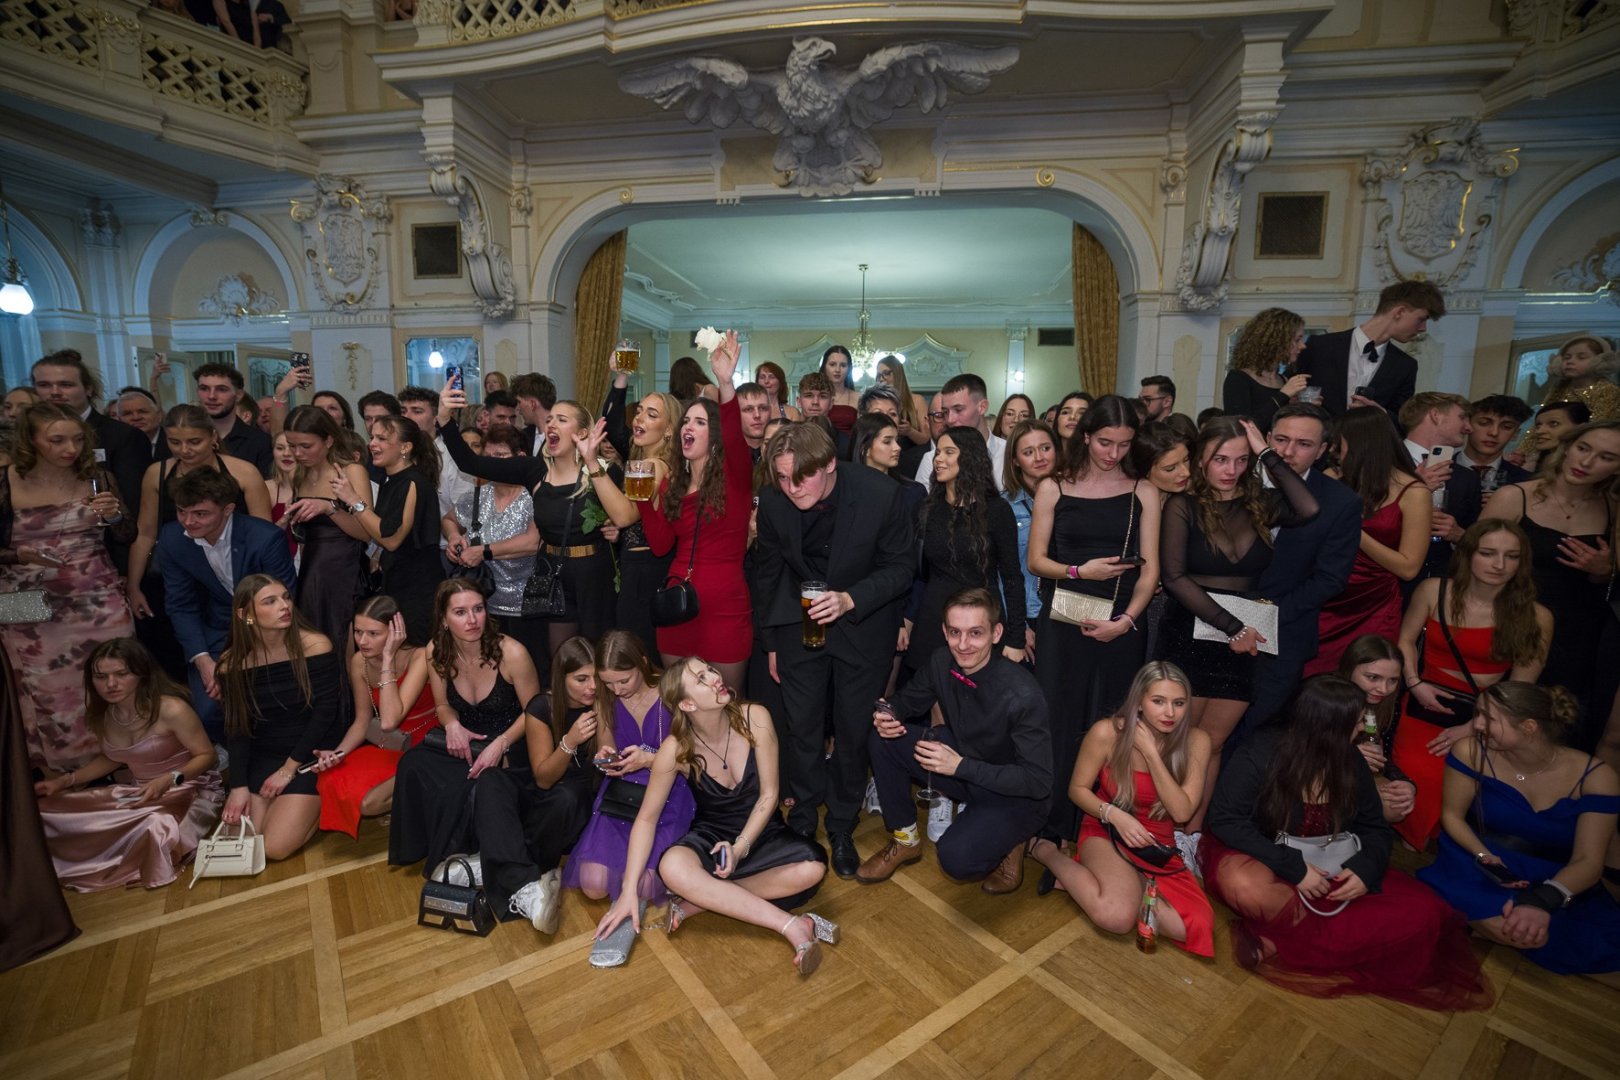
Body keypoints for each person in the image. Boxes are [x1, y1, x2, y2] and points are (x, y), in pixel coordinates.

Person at [1201, 675, 1490, 1009]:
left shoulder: (1350, 760)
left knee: (1425, 912)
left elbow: (1375, 828)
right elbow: (1225, 820)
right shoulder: (1261, 752)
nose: (1363, 728)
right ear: (1328, 725)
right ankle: (1319, 940)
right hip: (1267, 856)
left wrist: (1365, 870)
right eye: (1357, 721)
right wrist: (1295, 869)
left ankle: (1282, 939)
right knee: (1242, 884)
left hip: (1331, 869)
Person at [596, 656, 834, 976]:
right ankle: (792, 926)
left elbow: (769, 796)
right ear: (688, 705)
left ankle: (699, 900)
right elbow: (646, 819)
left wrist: (739, 848)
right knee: (672, 867)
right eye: (701, 679)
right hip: (711, 835)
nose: (714, 677)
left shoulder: (755, 717)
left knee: (813, 868)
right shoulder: (675, 749)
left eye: (708, 670)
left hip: (761, 830)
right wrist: (628, 890)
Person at [753, 422, 915, 876]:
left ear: (828, 465)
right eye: (782, 478)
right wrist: (771, 642)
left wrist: (850, 599)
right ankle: (803, 820)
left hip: (863, 626)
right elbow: (767, 572)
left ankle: (842, 824)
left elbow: (902, 568)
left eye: (800, 478)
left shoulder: (881, 494)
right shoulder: (773, 499)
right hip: (797, 625)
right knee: (802, 728)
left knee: (852, 731)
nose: (790, 488)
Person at [1156, 416, 1317, 848]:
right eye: (1220, 459)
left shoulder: (1261, 502)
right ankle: (1160, 831)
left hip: (1243, 640)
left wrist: (1267, 452)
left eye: (1241, 460)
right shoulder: (1182, 505)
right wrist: (1233, 627)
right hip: (1192, 630)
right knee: (1175, 740)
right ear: (1201, 460)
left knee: (1213, 744)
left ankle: (1190, 836)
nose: (1231, 470)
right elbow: (1174, 578)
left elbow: (1308, 508)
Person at [1418, 681, 1620, 984]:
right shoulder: (1470, 751)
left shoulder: (1597, 777)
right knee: (1508, 927)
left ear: (1528, 727)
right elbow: (1452, 817)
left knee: (1581, 941)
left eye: (1488, 718)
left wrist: (1543, 900)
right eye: (1477, 714)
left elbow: (1589, 861)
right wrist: (1485, 857)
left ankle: (1479, 921)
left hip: (1550, 873)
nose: (1477, 724)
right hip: (1476, 859)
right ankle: (1481, 919)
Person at [1028, 396, 1161, 843]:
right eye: (1105, 442)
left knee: (1112, 724)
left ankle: (1098, 828)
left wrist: (1126, 621)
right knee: (1059, 721)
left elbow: (1151, 571)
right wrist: (1079, 571)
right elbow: (1036, 561)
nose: (1113, 453)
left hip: (1121, 626)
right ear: (1086, 436)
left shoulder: (1143, 490)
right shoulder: (1054, 487)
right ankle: (1050, 829)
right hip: (1063, 621)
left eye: (1124, 445)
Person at [857, 588, 1052, 892]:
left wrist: (960, 766)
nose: (963, 644)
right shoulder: (941, 660)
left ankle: (1012, 841)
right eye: (955, 632)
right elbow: (909, 699)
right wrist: (890, 712)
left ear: (996, 633)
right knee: (884, 739)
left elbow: (1038, 782)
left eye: (975, 633)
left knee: (955, 859)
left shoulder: (1023, 694)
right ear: (944, 631)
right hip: (964, 766)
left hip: (1014, 795)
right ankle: (906, 840)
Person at [1028, 661, 1213, 954]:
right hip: (1108, 827)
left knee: (1193, 926)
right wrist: (1115, 816)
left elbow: (1181, 813)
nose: (1170, 713)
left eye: (1179, 703)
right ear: (1138, 702)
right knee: (1116, 917)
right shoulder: (1107, 732)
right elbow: (1077, 790)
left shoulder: (1196, 740)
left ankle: (1115, 883)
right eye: (1158, 701)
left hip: (1156, 843)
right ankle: (1046, 851)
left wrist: (1151, 754)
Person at [1394, 520, 1553, 848]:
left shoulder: (1537, 617)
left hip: (1490, 715)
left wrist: (1473, 727)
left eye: (1511, 556)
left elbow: (1519, 690)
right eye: (1488, 553)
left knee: (1458, 777)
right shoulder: (1433, 590)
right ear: (1468, 554)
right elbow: (1405, 641)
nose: (1499, 564)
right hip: (1423, 703)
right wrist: (1414, 683)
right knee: (1417, 775)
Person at [0, 403, 135, 774]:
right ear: (30, 440)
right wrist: (19, 555)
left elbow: (126, 534)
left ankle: (120, 763)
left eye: (77, 439)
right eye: (57, 440)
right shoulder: (5, 483)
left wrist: (114, 515)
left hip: (97, 599)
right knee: (48, 691)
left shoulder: (97, 476)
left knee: (111, 678)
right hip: (28, 606)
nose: (70, 449)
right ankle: (59, 775)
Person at [440, 395, 623, 663]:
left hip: (595, 573)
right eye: (550, 419)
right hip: (553, 574)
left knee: (602, 654)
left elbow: (627, 517)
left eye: (562, 419)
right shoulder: (535, 469)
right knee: (561, 659)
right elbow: (471, 464)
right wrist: (444, 419)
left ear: (583, 432)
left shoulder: (605, 471)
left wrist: (615, 530)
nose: (551, 424)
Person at [33, 639, 222, 890]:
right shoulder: (105, 715)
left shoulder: (171, 708)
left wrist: (170, 779)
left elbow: (207, 756)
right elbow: (113, 757)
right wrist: (64, 781)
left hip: (187, 788)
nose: (111, 684)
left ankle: (125, 860)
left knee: (157, 825)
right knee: (42, 812)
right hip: (137, 791)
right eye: (101, 677)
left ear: (141, 673)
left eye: (121, 674)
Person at [387, 579, 543, 881]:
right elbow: (443, 706)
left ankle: (470, 856)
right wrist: (452, 725)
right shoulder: (436, 651)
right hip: (467, 739)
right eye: (460, 612)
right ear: (444, 619)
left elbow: (535, 713)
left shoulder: (512, 653)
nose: (472, 620)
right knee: (413, 763)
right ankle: (433, 848)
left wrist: (501, 744)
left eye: (478, 609)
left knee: (477, 783)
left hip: (513, 740)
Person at [630, 335, 755, 687]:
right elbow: (660, 545)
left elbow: (734, 434)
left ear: (715, 435)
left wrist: (725, 382)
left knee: (727, 703)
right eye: (686, 421)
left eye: (700, 422)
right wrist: (644, 499)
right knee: (680, 704)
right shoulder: (674, 484)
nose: (688, 426)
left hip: (725, 608)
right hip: (678, 604)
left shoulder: (735, 477)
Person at [1481, 420, 1620, 736]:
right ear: (1567, 447)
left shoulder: (1613, 508)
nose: (1587, 462)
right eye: (1583, 448)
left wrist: (1605, 570)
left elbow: (1607, 584)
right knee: (1499, 721)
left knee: (1554, 729)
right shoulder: (1514, 496)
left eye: (1606, 457)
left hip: (1578, 636)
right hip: (1512, 626)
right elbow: (1471, 562)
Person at [127, 404, 272, 678]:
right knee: (177, 655)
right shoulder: (157, 473)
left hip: (234, 577)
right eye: (175, 442)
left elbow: (264, 536)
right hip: (177, 576)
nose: (185, 450)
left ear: (213, 436)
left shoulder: (243, 472)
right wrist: (133, 586)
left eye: (194, 442)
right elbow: (145, 533)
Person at [1243, 404, 1362, 728]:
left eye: (1303, 444)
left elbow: (1330, 579)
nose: (1287, 452)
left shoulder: (1340, 502)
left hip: (1284, 634)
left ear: (1322, 450)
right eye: (1281, 440)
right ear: (1267, 438)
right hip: (1213, 623)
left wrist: (1266, 615)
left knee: (1255, 732)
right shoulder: (1233, 481)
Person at [156, 468, 297, 740]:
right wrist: (203, 661)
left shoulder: (264, 538)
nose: (189, 522)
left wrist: (243, 657)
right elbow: (181, 604)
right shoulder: (173, 539)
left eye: (201, 514)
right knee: (208, 709)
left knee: (267, 700)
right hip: (218, 632)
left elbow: (283, 601)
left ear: (228, 509)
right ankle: (225, 755)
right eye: (182, 511)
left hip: (269, 629)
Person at [470, 636, 599, 930]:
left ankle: (495, 862)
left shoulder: (604, 705)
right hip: (544, 789)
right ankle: (518, 879)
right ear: (561, 678)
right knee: (491, 779)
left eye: (596, 678)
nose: (592, 686)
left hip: (574, 804)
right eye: (581, 679)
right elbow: (542, 779)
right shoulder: (543, 706)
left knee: (567, 797)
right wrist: (569, 742)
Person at [216, 576, 342, 861]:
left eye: (286, 597)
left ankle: (325, 802)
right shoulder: (231, 664)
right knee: (241, 844)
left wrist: (288, 770)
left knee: (274, 848)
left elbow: (325, 713)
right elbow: (236, 729)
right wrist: (238, 786)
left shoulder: (315, 645)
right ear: (245, 615)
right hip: (263, 756)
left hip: (309, 754)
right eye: (270, 601)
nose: (284, 606)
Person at [564, 630, 695, 904]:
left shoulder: (670, 692)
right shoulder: (606, 697)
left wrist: (650, 760)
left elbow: (695, 760)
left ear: (643, 662)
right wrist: (606, 757)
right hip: (622, 793)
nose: (617, 690)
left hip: (668, 789)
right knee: (593, 884)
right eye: (608, 682)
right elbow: (606, 744)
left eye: (624, 680)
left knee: (644, 887)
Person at [1303, 407, 1432, 677]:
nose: (1333, 452)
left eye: (1339, 444)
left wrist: (1354, 530)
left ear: (1362, 444)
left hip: (1374, 605)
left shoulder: (1414, 492)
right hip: (1327, 601)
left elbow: (1408, 567)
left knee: (1366, 680)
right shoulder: (1332, 478)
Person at [905, 425, 1026, 690]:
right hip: (934, 617)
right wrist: (907, 618)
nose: (939, 459)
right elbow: (916, 572)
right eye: (938, 452)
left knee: (980, 699)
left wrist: (1016, 638)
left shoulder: (996, 510)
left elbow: (1012, 576)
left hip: (980, 619)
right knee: (934, 694)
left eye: (949, 452)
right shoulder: (927, 509)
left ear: (970, 458)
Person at [310, 598, 438, 837]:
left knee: (370, 803)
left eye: (373, 633)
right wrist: (337, 754)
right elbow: (362, 721)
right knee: (330, 777)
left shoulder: (420, 656)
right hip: (390, 744)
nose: (363, 641)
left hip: (427, 743)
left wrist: (388, 658)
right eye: (358, 632)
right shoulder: (359, 661)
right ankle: (415, 799)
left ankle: (430, 798)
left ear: (396, 632)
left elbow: (389, 720)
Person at [331, 415, 445, 644]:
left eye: (381, 439)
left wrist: (353, 500)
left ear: (405, 447)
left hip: (418, 589)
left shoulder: (413, 482)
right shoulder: (390, 480)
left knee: (416, 651)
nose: (372, 444)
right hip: (397, 581)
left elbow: (391, 538)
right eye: (372, 437)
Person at [439, 423, 545, 665]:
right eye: (486, 456)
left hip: (528, 605)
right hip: (483, 605)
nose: (492, 463)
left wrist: (484, 552)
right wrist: (454, 537)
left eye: (500, 456)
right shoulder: (478, 495)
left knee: (529, 668)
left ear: (520, 458)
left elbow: (533, 542)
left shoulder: (534, 494)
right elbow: (448, 520)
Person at [597, 370, 681, 652]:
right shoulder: (644, 459)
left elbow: (625, 516)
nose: (639, 418)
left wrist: (592, 465)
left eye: (651, 415)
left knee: (637, 655)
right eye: (639, 411)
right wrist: (621, 376)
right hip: (638, 566)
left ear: (668, 430)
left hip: (647, 572)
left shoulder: (655, 465)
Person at [281, 406, 373, 649]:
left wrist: (329, 508)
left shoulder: (351, 471)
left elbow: (367, 533)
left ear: (329, 440)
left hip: (345, 571)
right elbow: (302, 538)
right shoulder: (297, 474)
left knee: (341, 640)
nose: (297, 453)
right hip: (310, 571)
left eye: (306, 446)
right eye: (292, 445)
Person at [1294, 281, 1444, 417]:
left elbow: (1402, 420)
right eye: (1421, 319)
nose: (1423, 328)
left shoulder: (1406, 365)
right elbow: (1289, 392)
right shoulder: (1319, 346)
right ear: (1399, 312)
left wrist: (1379, 413)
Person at [30, 350, 150, 512]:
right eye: (44, 385)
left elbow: (135, 503)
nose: (55, 392)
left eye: (66, 385)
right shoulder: (26, 435)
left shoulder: (123, 436)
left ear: (88, 389)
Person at [1399, 391, 1482, 584]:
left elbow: (1477, 538)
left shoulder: (1468, 478)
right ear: (1435, 415)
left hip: (1443, 583)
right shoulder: (1381, 462)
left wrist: (1458, 535)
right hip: (1385, 583)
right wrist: (1413, 490)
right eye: (1462, 418)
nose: (1469, 428)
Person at [1130, 421, 1195, 660]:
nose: (1185, 472)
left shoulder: (1195, 501)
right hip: (1138, 609)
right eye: (1171, 468)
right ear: (1145, 471)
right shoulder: (1128, 507)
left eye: (1186, 460)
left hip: (1186, 607)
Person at [1337, 635, 1417, 823]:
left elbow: (1382, 757)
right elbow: (1301, 753)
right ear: (1349, 669)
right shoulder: (1326, 697)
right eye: (1373, 677)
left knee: (1396, 804)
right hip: (1322, 772)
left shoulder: (1382, 705)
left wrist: (1406, 783)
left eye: (1393, 680)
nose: (1383, 689)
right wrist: (1349, 755)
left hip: (1359, 772)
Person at [1001, 418, 1057, 658]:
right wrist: (1018, 626)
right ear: (1015, 460)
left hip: (1066, 611)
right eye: (1028, 452)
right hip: (1027, 613)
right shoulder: (1005, 506)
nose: (1039, 457)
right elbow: (999, 573)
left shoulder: (1074, 500)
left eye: (1045, 448)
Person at [913, 373, 1008, 491]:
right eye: (945, 412)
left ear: (982, 407)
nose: (950, 420)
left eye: (958, 410)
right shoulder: (932, 460)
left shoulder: (1008, 453)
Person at [1222, 308, 1311, 431]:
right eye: (1297, 340)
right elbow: (1241, 429)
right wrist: (1283, 395)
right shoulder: (1238, 379)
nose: (1303, 345)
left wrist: (1306, 408)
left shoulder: (1284, 380)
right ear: (1277, 341)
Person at [193, 362, 272, 476]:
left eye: (221, 389)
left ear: (238, 395)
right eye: (204, 388)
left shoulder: (260, 442)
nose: (211, 396)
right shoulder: (184, 438)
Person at [1459, 394, 1534, 495]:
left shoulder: (1526, 482)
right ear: (1467, 425)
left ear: (1515, 434)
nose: (1494, 433)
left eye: (1506, 427)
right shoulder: (1440, 469)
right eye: (1484, 423)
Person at [1539, 335, 1620, 422]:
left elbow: (1600, 424)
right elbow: (1544, 415)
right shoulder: (1560, 386)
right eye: (1567, 357)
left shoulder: (1608, 391)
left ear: (1599, 361)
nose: (1570, 361)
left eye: (1581, 357)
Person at [267, 432, 299, 559]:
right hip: (278, 561)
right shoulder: (265, 488)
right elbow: (261, 540)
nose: (286, 453)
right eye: (280, 448)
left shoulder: (318, 487)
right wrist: (285, 518)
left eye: (292, 447)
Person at [820, 345, 860, 434]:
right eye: (832, 364)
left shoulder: (858, 397)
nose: (837, 370)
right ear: (824, 367)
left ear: (849, 369)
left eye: (843, 365)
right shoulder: (815, 396)